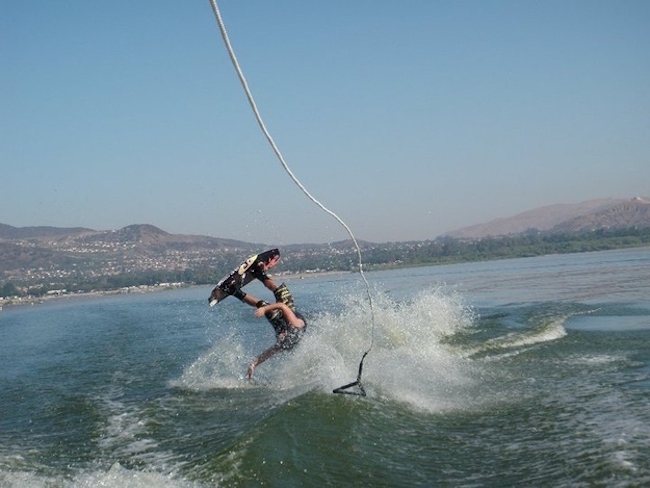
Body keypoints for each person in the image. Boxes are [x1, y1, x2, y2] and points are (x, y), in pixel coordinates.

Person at [225, 263, 307, 380]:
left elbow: (266, 354)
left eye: (279, 337)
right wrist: (264, 310)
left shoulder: (283, 344)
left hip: (282, 323)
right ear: (287, 333)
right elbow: (282, 306)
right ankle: (260, 273)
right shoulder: (295, 325)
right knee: (281, 292)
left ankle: (233, 290)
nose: (279, 336)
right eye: (281, 336)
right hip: (290, 313)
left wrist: (253, 364)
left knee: (262, 304)